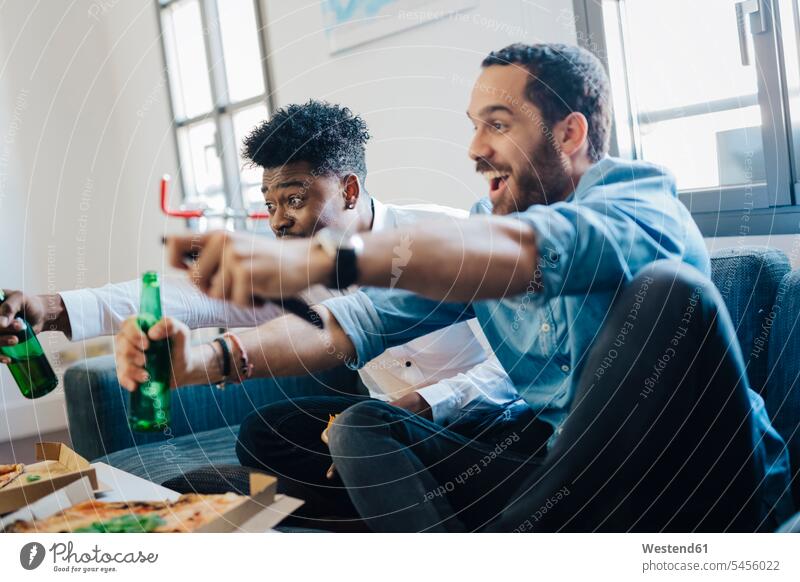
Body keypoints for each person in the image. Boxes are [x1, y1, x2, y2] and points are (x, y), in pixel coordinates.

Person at [117, 43, 793, 532]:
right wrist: (206, 361)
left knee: (669, 293)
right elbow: (353, 323)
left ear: (570, 132)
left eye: (496, 124)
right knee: (361, 427)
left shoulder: (644, 203)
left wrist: (328, 262)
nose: (474, 149)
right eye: (473, 124)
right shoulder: (479, 230)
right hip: (572, 485)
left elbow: (535, 252)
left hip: (707, 489)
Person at [0, 100, 520, 525]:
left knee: (356, 431)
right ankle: (369, 502)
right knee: (264, 433)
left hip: (484, 428)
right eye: (270, 205)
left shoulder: (449, 240)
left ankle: (390, 509)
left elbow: (525, 367)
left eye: (294, 200)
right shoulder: (299, 266)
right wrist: (51, 309)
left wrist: (427, 402)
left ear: (349, 189)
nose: (279, 222)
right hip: (388, 435)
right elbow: (197, 294)